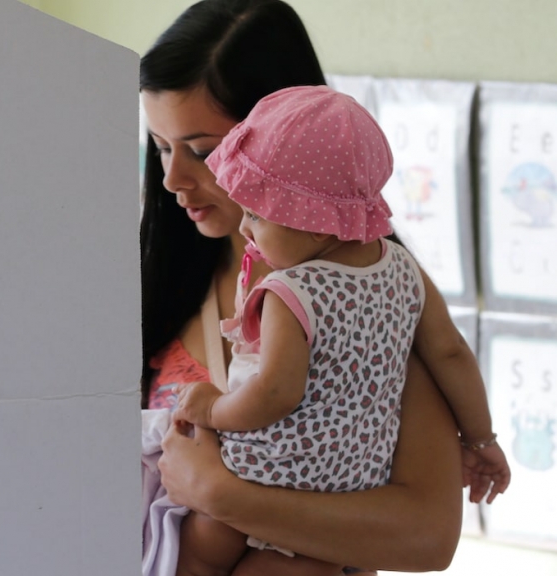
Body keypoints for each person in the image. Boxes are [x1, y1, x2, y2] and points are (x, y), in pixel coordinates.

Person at [139, 0, 465, 573]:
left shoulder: (368, 298)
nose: (172, 180)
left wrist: (221, 497)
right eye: (161, 147)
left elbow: (428, 537)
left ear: (293, 145)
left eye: (203, 150)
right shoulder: (149, 279)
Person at [167, 85, 511, 576]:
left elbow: (276, 393)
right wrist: (480, 441)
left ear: (313, 222)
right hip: (353, 486)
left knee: (199, 551)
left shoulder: (293, 292)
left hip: (269, 475)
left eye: (259, 215)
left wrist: (213, 409)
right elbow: (452, 353)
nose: (246, 229)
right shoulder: (404, 270)